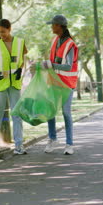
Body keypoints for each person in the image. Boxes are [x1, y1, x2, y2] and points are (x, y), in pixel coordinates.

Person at [0, 19, 28, 155]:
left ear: (10, 29)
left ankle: (19, 146)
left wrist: (20, 70)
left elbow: (22, 61)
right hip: (0, 83)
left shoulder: (20, 43)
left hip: (14, 83)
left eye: (3, 31)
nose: (1, 34)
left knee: (16, 114)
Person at [40, 14, 79, 155]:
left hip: (67, 83)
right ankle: (52, 139)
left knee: (66, 112)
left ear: (59, 26)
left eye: (53, 24)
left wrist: (51, 64)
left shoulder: (70, 44)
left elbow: (68, 67)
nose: (51, 27)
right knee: (50, 110)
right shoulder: (55, 40)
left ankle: (69, 144)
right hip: (54, 81)